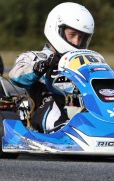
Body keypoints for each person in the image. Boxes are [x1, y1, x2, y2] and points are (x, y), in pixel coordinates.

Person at [9, 2, 94, 133]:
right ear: (57, 29)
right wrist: (40, 67)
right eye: (72, 35)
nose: (77, 42)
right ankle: (62, 129)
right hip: (43, 105)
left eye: (81, 37)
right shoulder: (35, 57)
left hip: (79, 104)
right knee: (52, 102)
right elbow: (15, 76)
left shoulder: (85, 61)